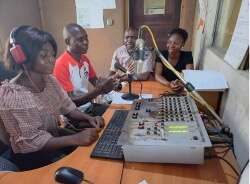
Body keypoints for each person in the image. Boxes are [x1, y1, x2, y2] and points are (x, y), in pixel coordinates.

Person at [0, 26, 104, 170]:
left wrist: (88, 118)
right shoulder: (15, 95)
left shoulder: (50, 81)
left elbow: (67, 107)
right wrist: (75, 138)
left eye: (52, 54)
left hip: (53, 143)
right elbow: (33, 141)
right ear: (23, 58)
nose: (51, 60)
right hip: (31, 157)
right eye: (43, 56)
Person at [53, 23, 115, 115]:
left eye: (86, 38)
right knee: (111, 123)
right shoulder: (60, 65)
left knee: (116, 113)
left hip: (88, 107)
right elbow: (70, 103)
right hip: (73, 115)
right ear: (67, 41)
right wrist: (99, 90)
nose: (86, 42)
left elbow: (96, 83)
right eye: (80, 39)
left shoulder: (84, 59)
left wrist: (109, 83)